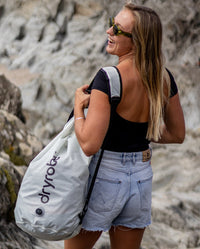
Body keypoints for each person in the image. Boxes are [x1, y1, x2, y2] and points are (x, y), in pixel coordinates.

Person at [64, 3, 185, 249]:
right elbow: (177, 134)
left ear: (137, 41)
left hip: (104, 177)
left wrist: (78, 107)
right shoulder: (163, 78)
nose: (109, 30)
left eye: (117, 29)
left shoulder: (108, 78)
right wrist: (141, 129)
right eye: (112, 22)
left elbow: (88, 144)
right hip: (141, 179)